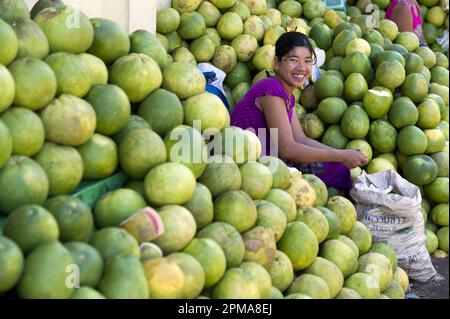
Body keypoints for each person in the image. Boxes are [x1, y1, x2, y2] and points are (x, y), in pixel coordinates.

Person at [230, 32, 368, 192]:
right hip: (249, 164)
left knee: (337, 168)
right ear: (277, 63)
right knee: (326, 174)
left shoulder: (287, 95)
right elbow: (287, 149)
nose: (302, 67)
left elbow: (301, 139)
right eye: (293, 60)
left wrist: (342, 154)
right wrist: (340, 156)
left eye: (307, 61)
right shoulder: (270, 90)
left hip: (272, 159)